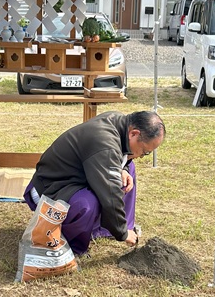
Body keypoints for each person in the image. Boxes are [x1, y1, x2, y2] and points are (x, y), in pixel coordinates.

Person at [23, 109, 166, 256]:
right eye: (144, 151)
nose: (142, 156)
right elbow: (110, 195)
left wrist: (123, 168)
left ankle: (105, 229)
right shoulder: (105, 143)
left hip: (74, 178)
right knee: (87, 203)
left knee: (128, 172)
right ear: (134, 134)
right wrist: (122, 232)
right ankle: (72, 246)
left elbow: (115, 157)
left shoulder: (119, 122)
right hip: (49, 189)